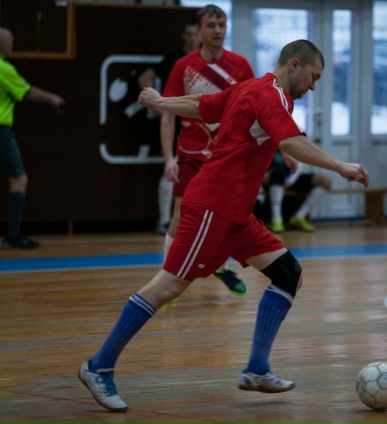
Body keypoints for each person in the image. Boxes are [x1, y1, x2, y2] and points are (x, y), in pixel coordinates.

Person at [78, 39, 368, 413]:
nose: (313, 86)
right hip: (213, 206)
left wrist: (162, 102)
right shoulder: (273, 95)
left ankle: (257, 369)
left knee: (288, 275)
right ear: (295, 65)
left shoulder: (249, 88)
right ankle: (98, 366)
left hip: (238, 215)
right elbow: (292, 141)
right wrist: (341, 166)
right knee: (168, 287)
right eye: (314, 77)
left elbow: (201, 105)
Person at [160, 4, 254, 296]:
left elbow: (257, 111)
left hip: (227, 157)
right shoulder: (183, 66)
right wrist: (169, 159)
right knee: (180, 217)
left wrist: (283, 150)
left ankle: (220, 267)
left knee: (226, 219)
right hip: (190, 154)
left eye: (221, 25)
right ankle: (165, 279)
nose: (217, 31)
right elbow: (168, 114)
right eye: (211, 25)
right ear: (198, 31)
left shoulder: (240, 65)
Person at [0, 27, 65, 249]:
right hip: (1, 130)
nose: (12, 45)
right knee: (18, 179)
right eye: (10, 41)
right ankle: (13, 234)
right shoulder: (4, 68)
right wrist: (52, 98)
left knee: (17, 178)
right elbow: (28, 92)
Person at [137, 21, 200, 236]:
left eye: (194, 34)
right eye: (188, 34)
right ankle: (164, 221)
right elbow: (144, 79)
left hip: (200, 125)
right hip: (175, 122)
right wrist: (161, 108)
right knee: (172, 166)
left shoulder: (208, 62)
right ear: (182, 36)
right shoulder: (175, 59)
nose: (192, 38)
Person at [266, 149, 332, 233]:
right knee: (278, 174)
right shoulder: (266, 143)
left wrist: (291, 179)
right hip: (272, 178)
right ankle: (276, 219)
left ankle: (299, 217)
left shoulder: (293, 144)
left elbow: (300, 162)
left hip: (292, 178)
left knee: (325, 181)